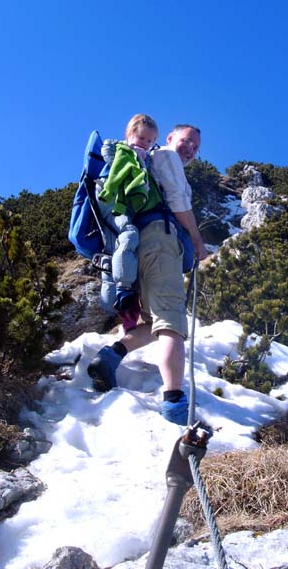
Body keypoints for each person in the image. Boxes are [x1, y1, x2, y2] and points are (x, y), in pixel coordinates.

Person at [88, 124, 209, 425]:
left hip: (136, 243)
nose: (190, 148)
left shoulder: (147, 164)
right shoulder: (166, 157)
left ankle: (112, 354)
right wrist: (196, 241)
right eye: (186, 141)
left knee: (154, 320)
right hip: (159, 239)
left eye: (196, 146)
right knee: (171, 322)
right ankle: (175, 403)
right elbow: (179, 203)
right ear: (169, 139)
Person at [96, 114, 159, 331]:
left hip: (126, 206)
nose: (145, 144)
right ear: (129, 134)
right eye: (141, 138)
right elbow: (109, 153)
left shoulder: (144, 159)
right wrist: (133, 153)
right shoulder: (120, 150)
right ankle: (123, 289)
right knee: (129, 234)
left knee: (118, 248)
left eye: (150, 141)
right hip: (113, 201)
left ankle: (124, 317)